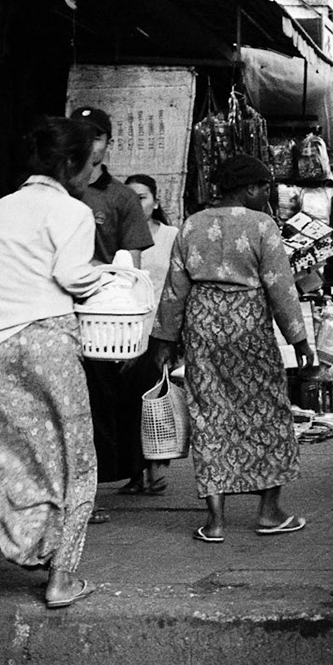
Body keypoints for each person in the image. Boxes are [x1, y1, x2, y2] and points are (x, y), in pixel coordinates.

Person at [0, 118, 112, 626]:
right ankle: (62, 578)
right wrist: (109, 274)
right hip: (46, 342)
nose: (94, 172)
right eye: (91, 164)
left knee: (1, 461)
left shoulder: (3, 206)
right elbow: (71, 276)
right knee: (71, 460)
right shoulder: (73, 210)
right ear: (69, 164)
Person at [151, 155, 314, 542]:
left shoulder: (191, 224)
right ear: (251, 188)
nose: (267, 196)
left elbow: (175, 289)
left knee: (209, 414)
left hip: (203, 325)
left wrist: (164, 341)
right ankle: (269, 513)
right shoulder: (262, 225)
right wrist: (300, 340)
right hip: (249, 326)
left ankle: (216, 522)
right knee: (267, 411)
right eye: (265, 189)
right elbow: (281, 288)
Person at [68, 108, 155, 506]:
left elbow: (130, 270)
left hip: (105, 321)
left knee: (106, 403)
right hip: (57, 314)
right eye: (82, 134)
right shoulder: (56, 192)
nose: (90, 143)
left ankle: (101, 488)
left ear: (108, 143)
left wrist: (131, 327)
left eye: (98, 136)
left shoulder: (121, 198)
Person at [122, 173, 179, 496]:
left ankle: (155, 468)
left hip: (159, 331)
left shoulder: (171, 236)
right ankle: (133, 471)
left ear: (155, 202)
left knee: (154, 401)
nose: (136, 203)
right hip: (122, 333)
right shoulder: (118, 236)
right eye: (130, 197)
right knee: (128, 403)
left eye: (142, 197)